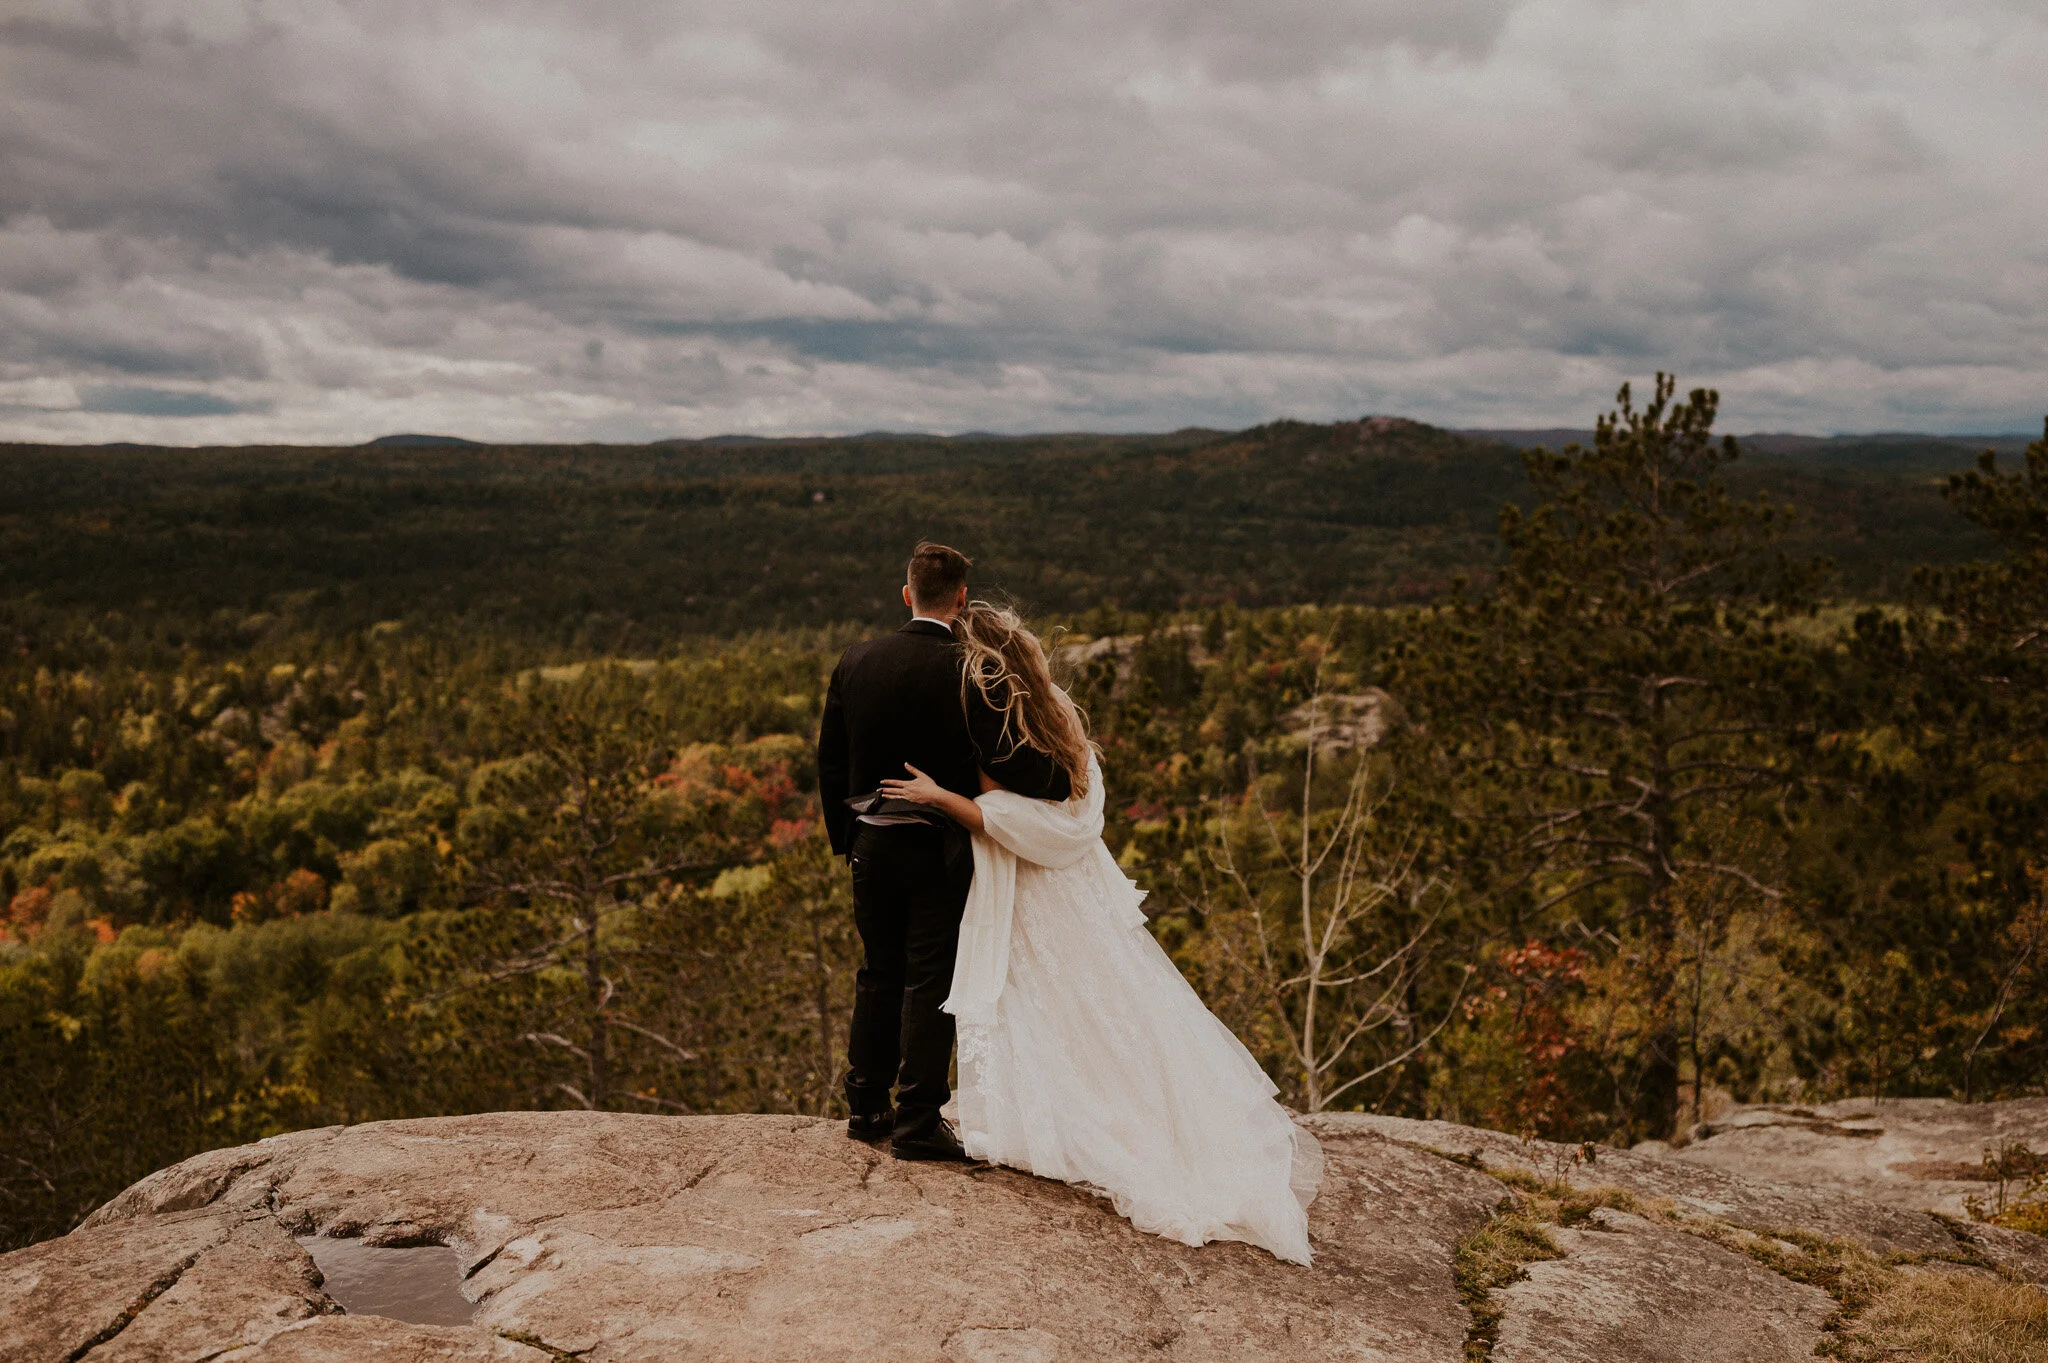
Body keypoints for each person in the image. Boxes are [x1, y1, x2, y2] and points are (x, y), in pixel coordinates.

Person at [876, 601, 1323, 1265]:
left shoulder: (995, 723)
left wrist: (940, 798)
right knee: (1102, 1006)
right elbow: (1079, 807)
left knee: (1043, 1008)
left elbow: (1015, 821)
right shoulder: (1055, 708)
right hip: (1079, 885)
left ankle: (1063, 1124)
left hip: (1034, 892)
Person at [816, 543, 1073, 1160]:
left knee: (879, 971)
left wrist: (846, 837)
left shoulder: (856, 660)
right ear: (961, 599)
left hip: (872, 841)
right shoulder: (971, 668)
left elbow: (830, 759)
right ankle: (918, 1122)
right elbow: (1007, 760)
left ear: (907, 594)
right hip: (938, 845)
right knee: (932, 979)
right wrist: (1060, 780)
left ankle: (866, 1106)